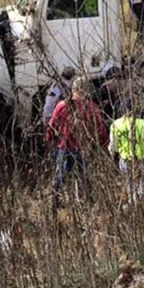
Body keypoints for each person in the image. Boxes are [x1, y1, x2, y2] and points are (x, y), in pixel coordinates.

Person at [46, 77, 107, 205]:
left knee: (60, 173)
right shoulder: (91, 107)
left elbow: (52, 124)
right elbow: (100, 127)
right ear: (86, 91)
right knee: (83, 173)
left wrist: (49, 138)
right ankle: (89, 200)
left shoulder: (62, 105)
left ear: (73, 89)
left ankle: (55, 200)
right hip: (83, 146)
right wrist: (104, 142)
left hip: (64, 145)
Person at [108, 98, 144, 203]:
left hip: (124, 160)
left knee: (130, 183)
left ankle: (133, 202)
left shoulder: (115, 125)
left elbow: (113, 146)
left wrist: (112, 153)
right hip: (141, 159)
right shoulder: (142, 124)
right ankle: (141, 200)